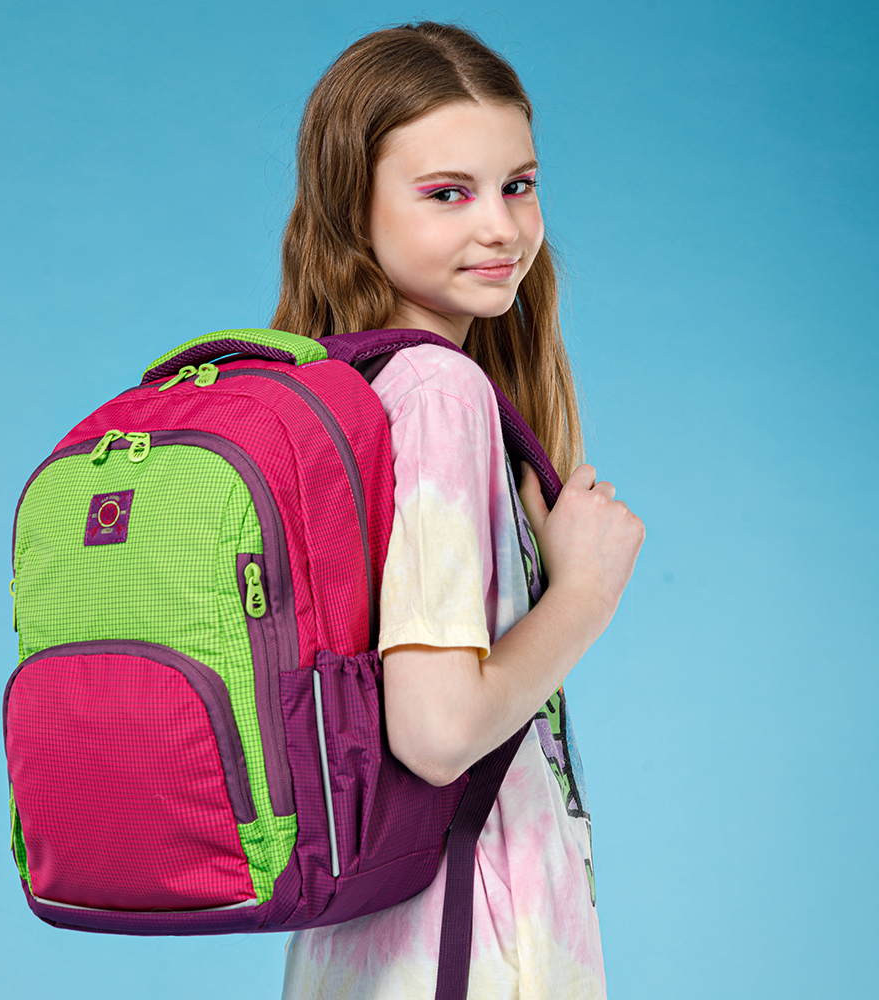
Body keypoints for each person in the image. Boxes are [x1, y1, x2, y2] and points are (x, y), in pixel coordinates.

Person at [271, 21, 645, 999]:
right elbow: (437, 734)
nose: (501, 228)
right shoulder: (438, 393)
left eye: (517, 185)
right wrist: (585, 594)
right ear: (353, 209)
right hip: (473, 946)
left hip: (363, 942)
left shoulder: (338, 394)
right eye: (447, 193)